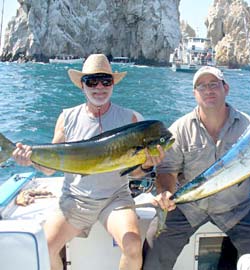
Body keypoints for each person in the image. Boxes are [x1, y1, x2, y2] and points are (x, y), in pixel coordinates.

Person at [12, 54, 164, 270]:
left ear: (113, 84)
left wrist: (148, 165)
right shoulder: (67, 117)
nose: (99, 87)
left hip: (115, 199)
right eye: (92, 81)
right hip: (76, 199)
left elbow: (137, 174)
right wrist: (29, 159)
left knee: (132, 247)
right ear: (82, 86)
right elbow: (48, 169)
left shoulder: (130, 119)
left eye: (105, 80)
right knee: (43, 247)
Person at [143, 66, 250, 269]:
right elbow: (167, 170)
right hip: (188, 207)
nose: (208, 90)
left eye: (214, 84)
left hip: (236, 207)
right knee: (153, 244)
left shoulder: (247, 125)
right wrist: (166, 193)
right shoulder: (180, 128)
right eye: (201, 86)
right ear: (194, 94)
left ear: (225, 88)